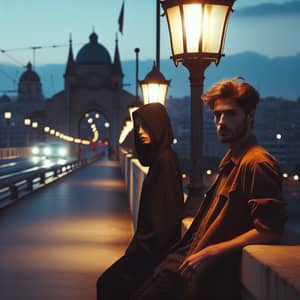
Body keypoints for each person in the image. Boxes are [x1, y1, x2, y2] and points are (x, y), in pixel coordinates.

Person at [130, 78, 287, 300]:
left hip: (204, 276)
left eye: (230, 114)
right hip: (185, 264)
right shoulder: (231, 160)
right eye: (217, 115)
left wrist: (214, 251)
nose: (221, 122)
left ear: (250, 115)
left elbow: (270, 230)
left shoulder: (257, 163)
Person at [97, 102, 184, 300]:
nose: (141, 132)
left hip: (152, 253)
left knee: (107, 284)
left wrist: (134, 256)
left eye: (147, 126)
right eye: (139, 127)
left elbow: (160, 224)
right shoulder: (163, 159)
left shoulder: (164, 162)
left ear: (159, 126)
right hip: (149, 249)